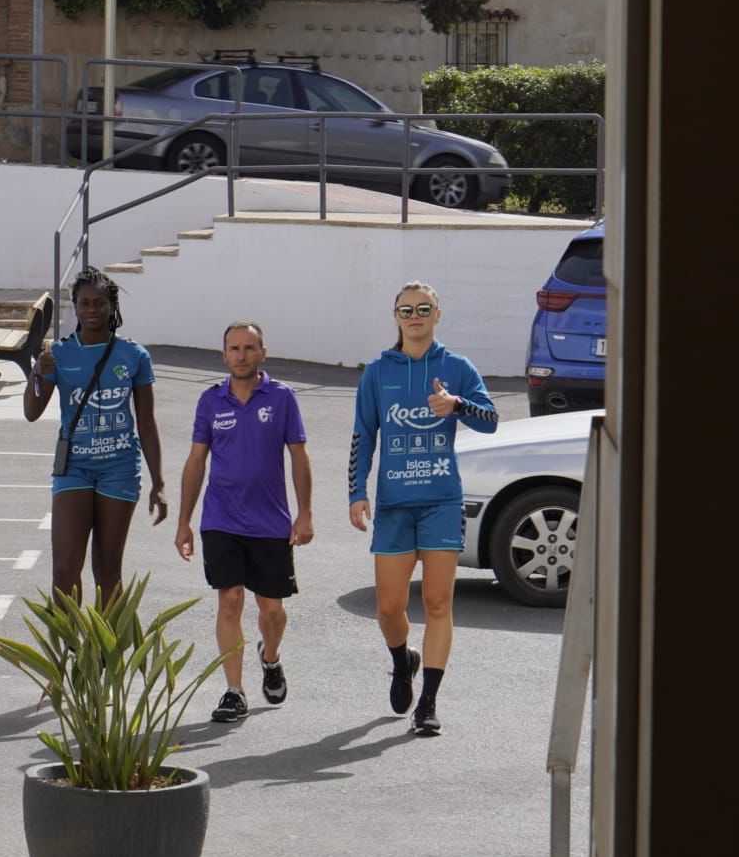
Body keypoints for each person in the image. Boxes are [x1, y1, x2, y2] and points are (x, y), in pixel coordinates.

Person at [347, 281, 498, 736]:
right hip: (394, 506)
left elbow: (490, 421)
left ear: (437, 314)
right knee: (390, 609)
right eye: (406, 309)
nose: (415, 315)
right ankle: (402, 660)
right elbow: (363, 435)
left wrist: (456, 404)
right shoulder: (377, 371)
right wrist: (357, 492)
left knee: (436, 602)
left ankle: (428, 703)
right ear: (395, 316)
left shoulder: (456, 366)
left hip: (441, 501)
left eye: (424, 308)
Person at [175, 321, 313, 724]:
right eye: (234, 348)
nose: (241, 355)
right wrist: (184, 521)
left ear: (262, 352)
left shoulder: (283, 398)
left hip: (270, 522)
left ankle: (270, 658)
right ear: (224, 355)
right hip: (221, 518)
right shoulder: (210, 400)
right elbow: (196, 460)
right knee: (230, 599)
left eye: (249, 348)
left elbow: (300, 458)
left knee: (272, 610)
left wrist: (304, 513)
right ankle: (235, 691)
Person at [22, 269, 166, 605]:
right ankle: (70, 652)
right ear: (74, 307)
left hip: (119, 467)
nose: (92, 310)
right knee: (65, 568)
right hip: (74, 467)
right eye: (84, 303)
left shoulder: (134, 356)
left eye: (100, 303)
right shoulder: (58, 354)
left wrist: (158, 483)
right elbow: (32, 411)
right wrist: (38, 374)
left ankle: (105, 656)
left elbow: (146, 422)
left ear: (111, 306)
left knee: (107, 570)